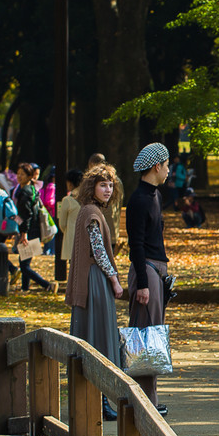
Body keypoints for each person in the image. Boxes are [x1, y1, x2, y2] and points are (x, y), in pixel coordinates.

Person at [65, 164, 125, 421]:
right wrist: (114, 280)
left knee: (93, 336)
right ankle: (100, 401)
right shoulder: (91, 212)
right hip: (94, 281)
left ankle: (97, 400)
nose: (108, 190)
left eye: (110, 185)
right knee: (98, 337)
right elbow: (98, 251)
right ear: (92, 187)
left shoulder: (89, 211)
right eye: (103, 185)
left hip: (90, 280)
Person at [126, 143, 172, 415]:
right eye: (166, 165)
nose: (168, 171)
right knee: (144, 336)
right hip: (147, 270)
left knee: (152, 335)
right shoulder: (140, 199)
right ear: (157, 166)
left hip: (156, 270)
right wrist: (143, 283)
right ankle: (144, 401)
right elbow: (136, 244)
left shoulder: (154, 195)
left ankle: (149, 397)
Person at [13, 162, 54, 293]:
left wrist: (23, 233)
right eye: (18, 174)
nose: (19, 176)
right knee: (25, 260)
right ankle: (25, 288)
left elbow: (26, 215)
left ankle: (47, 285)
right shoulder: (32, 189)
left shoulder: (25, 192)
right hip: (34, 229)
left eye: (23, 174)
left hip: (30, 231)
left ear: (30, 176)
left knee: (24, 265)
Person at [56, 168, 83, 283]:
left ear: (70, 183)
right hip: (86, 237)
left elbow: (62, 224)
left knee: (74, 268)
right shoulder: (88, 198)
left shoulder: (67, 200)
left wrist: (67, 231)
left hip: (72, 238)